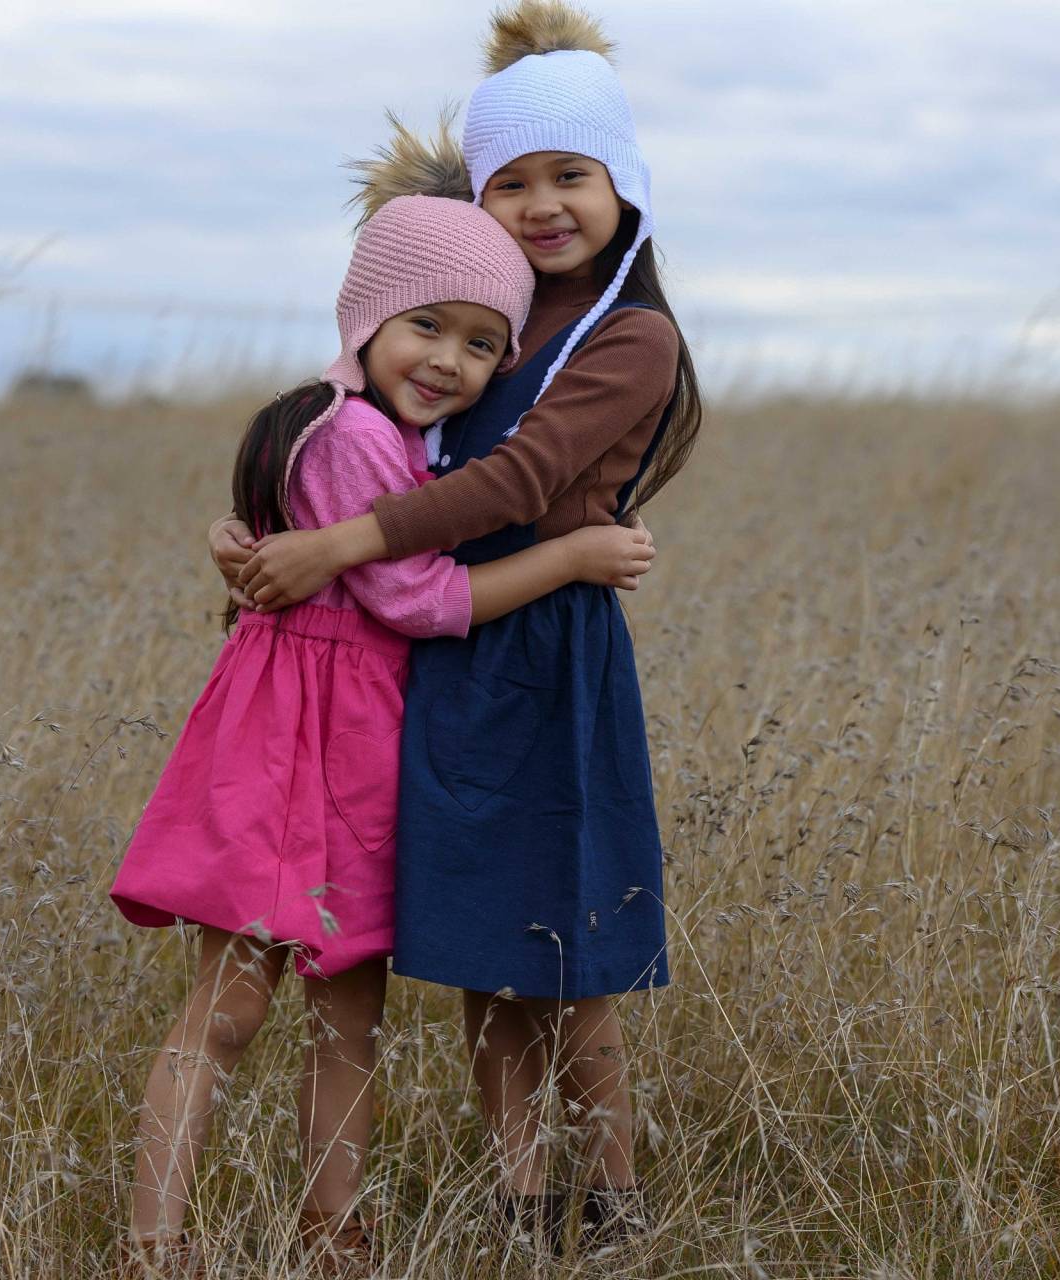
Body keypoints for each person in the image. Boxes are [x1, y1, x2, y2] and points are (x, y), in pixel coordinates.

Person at [212, 0, 702, 1258]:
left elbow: (516, 481)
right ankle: (525, 1195)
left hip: (549, 653)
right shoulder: (471, 320)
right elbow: (352, 440)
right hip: (435, 647)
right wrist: (266, 531)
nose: (544, 206)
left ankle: (614, 1197)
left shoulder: (632, 339)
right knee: (488, 951)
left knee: (571, 950)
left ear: (623, 184)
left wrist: (341, 548)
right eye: (513, 183)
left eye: (571, 178)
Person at [115, 188, 657, 1278]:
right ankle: (155, 1245)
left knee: (347, 1011)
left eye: (482, 344)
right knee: (233, 1007)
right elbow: (413, 600)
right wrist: (570, 558)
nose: (451, 361)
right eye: (428, 325)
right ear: (367, 313)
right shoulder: (355, 433)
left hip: (355, 748)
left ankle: (336, 1231)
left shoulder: (364, 426)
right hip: (298, 751)